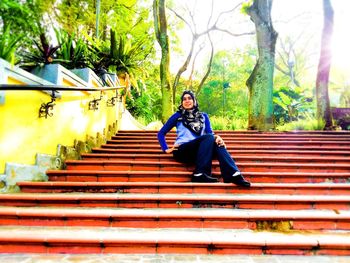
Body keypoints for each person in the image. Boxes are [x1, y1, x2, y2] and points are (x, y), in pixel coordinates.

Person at [157, 90, 251, 187]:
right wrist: (166, 149)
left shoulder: (203, 116)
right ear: (182, 102)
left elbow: (210, 133)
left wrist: (217, 137)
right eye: (184, 99)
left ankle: (233, 174)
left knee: (218, 144)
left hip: (201, 152)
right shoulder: (177, 116)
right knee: (210, 138)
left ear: (194, 101)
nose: (187, 101)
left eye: (190, 98)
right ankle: (200, 173)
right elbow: (161, 133)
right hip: (184, 150)